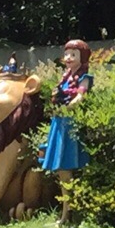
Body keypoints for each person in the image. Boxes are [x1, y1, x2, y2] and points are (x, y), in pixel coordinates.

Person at [39, 38, 93, 182]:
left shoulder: (84, 77)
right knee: (60, 165)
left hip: (70, 122)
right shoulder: (65, 78)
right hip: (59, 121)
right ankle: (67, 203)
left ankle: (70, 202)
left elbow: (80, 96)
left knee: (66, 163)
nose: (68, 58)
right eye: (67, 54)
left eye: (73, 54)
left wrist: (66, 108)